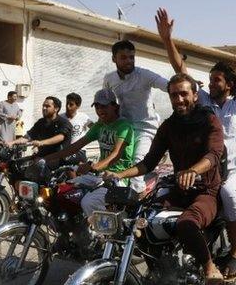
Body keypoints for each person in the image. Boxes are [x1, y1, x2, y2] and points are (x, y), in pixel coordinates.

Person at [158, 7, 236, 281]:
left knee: (228, 193)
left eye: (216, 80)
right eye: (210, 80)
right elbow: (180, 70)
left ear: (229, 84)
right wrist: (167, 39)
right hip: (205, 170)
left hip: (235, 172)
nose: (211, 84)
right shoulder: (201, 102)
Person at [103, 73, 225, 284]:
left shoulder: (209, 120)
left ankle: (209, 266)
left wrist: (193, 171)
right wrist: (119, 174)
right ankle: (159, 268)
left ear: (195, 95)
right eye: (174, 95)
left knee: (186, 223)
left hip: (205, 191)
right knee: (141, 221)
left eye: (184, 94)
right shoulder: (168, 126)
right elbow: (149, 162)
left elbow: (214, 155)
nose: (178, 100)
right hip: (179, 190)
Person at [44, 89, 135, 216]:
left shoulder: (124, 126)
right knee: (64, 192)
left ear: (115, 106)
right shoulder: (100, 126)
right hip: (99, 174)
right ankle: (76, 227)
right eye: (97, 106)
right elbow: (75, 147)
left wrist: (94, 167)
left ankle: (105, 232)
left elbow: (115, 154)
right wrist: (47, 158)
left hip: (117, 177)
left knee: (88, 202)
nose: (100, 110)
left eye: (104, 106)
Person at [103, 40, 170, 193]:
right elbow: (106, 101)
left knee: (138, 163)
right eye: (124, 57)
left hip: (145, 128)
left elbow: (166, 84)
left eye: (131, 57)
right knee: (118, 167)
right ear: (114, 59)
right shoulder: (109, 79)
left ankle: (136, 201)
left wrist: (189, 86)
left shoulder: (144, 75)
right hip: (124, 129)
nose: (129, 61)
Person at [7, 97, 72, 164]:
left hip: (57, 159)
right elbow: (28, 137)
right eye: (43, 106)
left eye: (47, 106)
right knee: (15, 164)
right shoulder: (41, 122)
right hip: (42, 157)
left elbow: (60, 137)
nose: (44, 108)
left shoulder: (63, 122)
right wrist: (12, 143)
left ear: (56, 109)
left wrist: (41, 142)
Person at [60, 92, 94, 164]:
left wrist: (87, 139)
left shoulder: (83, 117)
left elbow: (94, 128)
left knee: (66, 161)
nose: (68, 106)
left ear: (78, 106)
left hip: (79, 150)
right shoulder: (60, 118)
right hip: (64, 151)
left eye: (71, 104)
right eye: (67, 103)